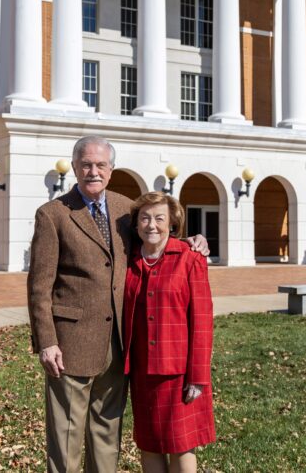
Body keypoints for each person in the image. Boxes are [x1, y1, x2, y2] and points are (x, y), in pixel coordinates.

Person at [27, 136, 208, 472]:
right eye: (85, 165)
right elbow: (39, 286)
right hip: (70, 345)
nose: (92, 171)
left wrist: (192, 241)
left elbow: (155, 236)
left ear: (111, 170)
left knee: (107, 435)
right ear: (75, 167)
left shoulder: (127, 209)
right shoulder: (53, 215)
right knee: (65, 439)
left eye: (100, 165)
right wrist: (47, 341)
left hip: (122, 347)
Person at [123, 192, 215, 473]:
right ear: (136, 224)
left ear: (172, 224)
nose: (152, 225)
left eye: (159, 218)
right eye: (145, 218)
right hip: (142, 372)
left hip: (179, 374)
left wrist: (198, 377)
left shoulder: (190, 258)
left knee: (180, 446)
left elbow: (202, 319)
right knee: (148, 445)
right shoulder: (129, 261)